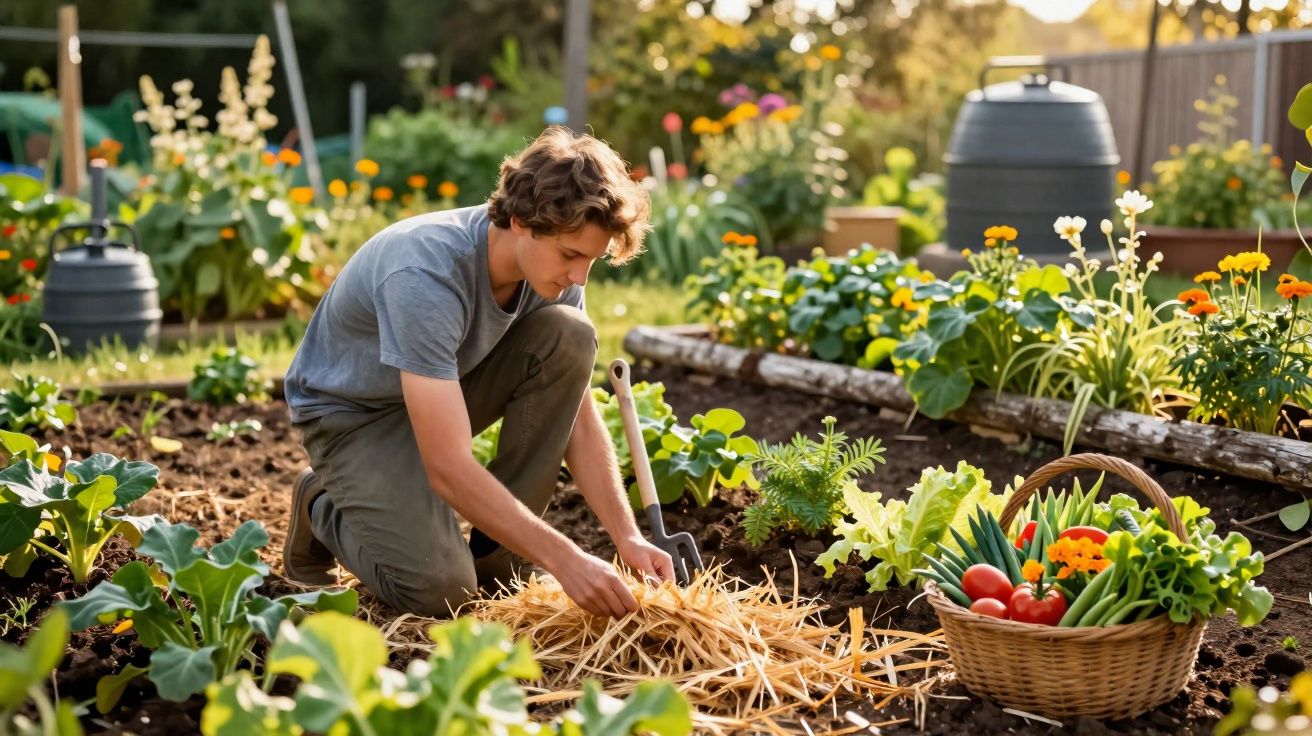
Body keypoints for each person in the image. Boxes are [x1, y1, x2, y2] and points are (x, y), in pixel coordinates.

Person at [280, 126, 674, 619]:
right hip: (355, 417)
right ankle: (322, 504)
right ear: (522, 221)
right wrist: (565, 557)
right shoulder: (425, 274)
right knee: (442, 594)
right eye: (572, 255)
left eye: (590, 261)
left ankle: (499, 559)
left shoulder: (550, 275)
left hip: (441, 393)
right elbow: (447, 465)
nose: (580, 276)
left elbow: (576, 411)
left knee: (569, 334)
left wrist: (627, 537)